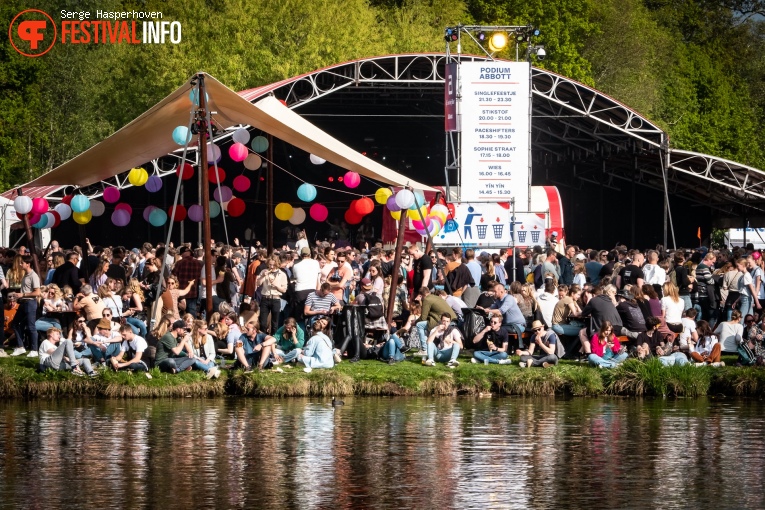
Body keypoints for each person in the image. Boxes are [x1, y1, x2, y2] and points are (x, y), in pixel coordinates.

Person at [9, 255, 42, 357]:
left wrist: (23, 294)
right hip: (23, 303)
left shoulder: (33, 276)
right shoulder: (26, 275)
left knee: (31, 326)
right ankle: (20, 347)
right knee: (15, 324)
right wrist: (18, 295)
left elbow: (37, 292)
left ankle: (34, 350)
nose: (20, 264)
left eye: (22, 263)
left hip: (30, 303)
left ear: (28, 264)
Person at [478, 281, 526, 349]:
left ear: (501, 291)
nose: (493, 293)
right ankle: (486, 346)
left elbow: (500, 311)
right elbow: (491, 308)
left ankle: (500, 347)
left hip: (517, 325)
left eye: (495, 291)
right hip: (508, 325)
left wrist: (488, 311)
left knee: (496, 328)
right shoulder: (498, 300)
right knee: (490, 326)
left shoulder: (509, 298)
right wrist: (482, 309)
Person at [415, 287, 457, 355]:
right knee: (426, 324)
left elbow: (423, 318)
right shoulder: (436, 297)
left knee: (419, 325)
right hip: (453, 319)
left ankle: (424, 349)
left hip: (444, 321)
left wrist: (415, 322)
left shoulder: (427, 299)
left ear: (421, 295)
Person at [257, 255, 288, 334]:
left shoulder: (282, 274)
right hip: (265, 298)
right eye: (270, 264)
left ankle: (274, 339)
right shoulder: (264, 271)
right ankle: (262, 337)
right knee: (263, 322)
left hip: (276, 298)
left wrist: (276, 285)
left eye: (273, 265)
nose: (271, 266)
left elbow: (284, 290)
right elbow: (258, 284)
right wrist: (262, 276)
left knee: (274, 323)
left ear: (277, 264)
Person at [171, 246, 202, 318]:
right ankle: (193, 326)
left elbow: (173, 276)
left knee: (180, 314)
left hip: (181, 292)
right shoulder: (198, 263)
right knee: (192, 314)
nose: (181, 255)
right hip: (193, 292)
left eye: (181, 254)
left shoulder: (179, 263)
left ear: (184, 253)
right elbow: (200, 277)